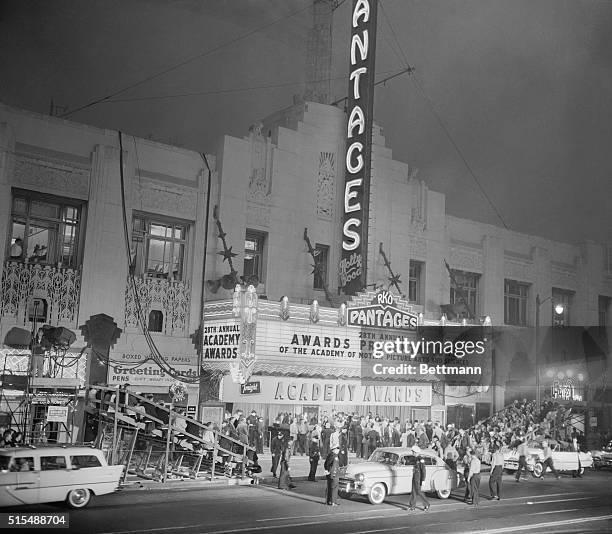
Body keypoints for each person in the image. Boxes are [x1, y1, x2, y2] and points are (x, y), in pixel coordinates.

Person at [408, 446, 430, 512]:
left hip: (418, 477)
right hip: (414, 476)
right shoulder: (415, 459)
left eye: (413, 452)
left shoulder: (421, 459)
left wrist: (423, 479)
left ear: (415, 452)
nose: (412, 453)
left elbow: (423, 470)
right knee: (413, 492)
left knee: (419, 491)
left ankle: (426, 504)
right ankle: (412, 506)